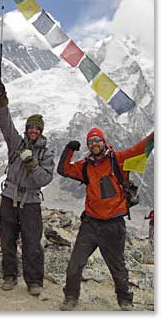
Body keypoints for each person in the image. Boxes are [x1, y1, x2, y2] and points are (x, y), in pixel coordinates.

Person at [57, 127, 154, 311]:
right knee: (75, 264)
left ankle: (125, 300)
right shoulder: (85, 165)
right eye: (91, 142)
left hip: (113, 224)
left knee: (117, 266)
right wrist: (69, 149)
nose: (94, 144)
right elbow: (63, 169)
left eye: (97, 140)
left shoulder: (118, 159)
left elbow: (140, 148)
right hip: (90, 224)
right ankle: (70, 296)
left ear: (104, 142)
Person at [0, 80, 55, 296]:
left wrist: (32, 164)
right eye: (30, 127)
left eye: (37, 128)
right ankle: (9, 276)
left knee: (32, 242)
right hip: (9, 197)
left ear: (41, 131)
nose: (33, 131)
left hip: (31, 202)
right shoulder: (17, 144)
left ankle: (34, 281)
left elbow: (45, 179)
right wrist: (2, 101)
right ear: (27, 129)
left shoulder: (46, 154)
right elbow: (5, 124)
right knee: (8, 239)